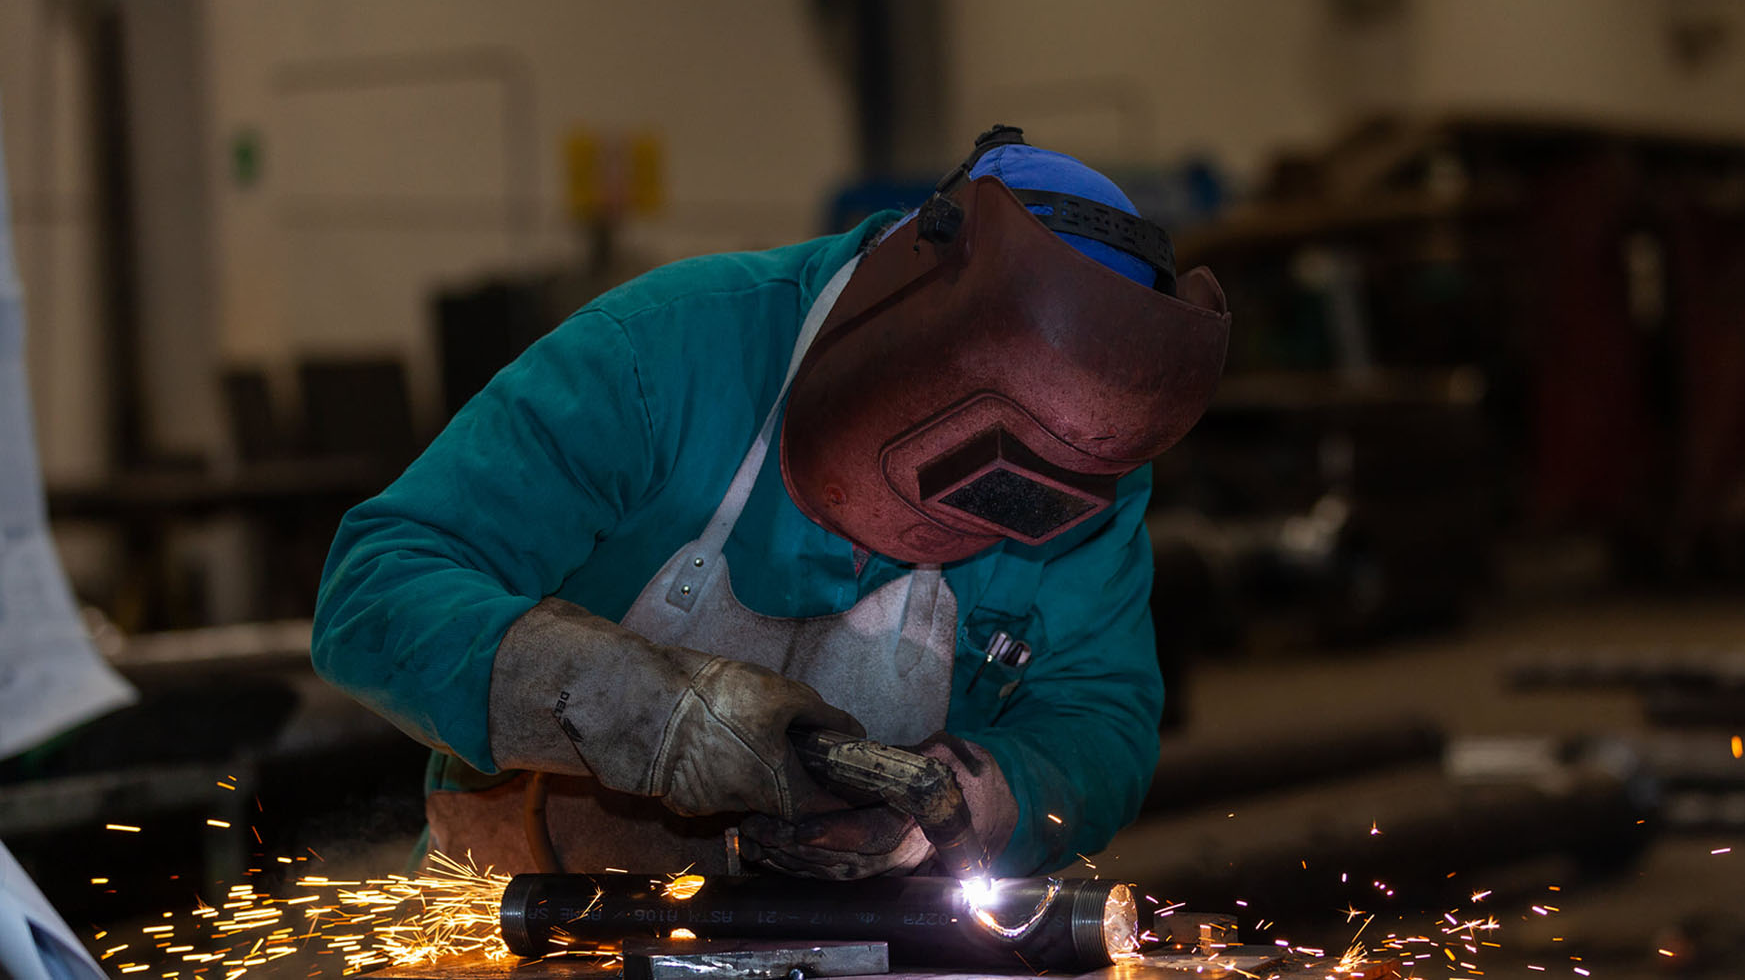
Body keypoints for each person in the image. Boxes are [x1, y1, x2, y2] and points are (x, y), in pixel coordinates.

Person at [311, 126, 1230, 880]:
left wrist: (981, 802)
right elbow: (376, 587)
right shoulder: (660, 356)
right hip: (532, 912)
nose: (959, 532)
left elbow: (1099, 712)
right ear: (900, 311)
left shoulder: (1091, 471)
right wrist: (644, 709)